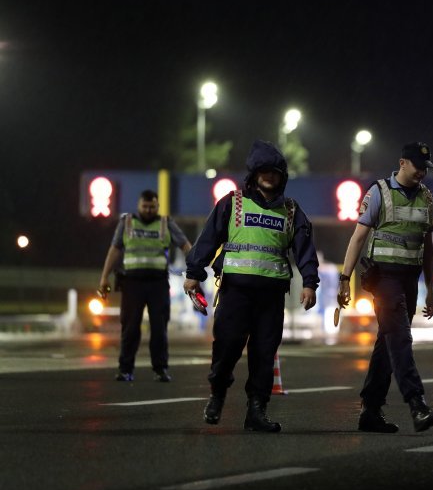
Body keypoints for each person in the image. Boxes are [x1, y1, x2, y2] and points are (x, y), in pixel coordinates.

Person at [183, 140, 320, 433]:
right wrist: (194, 272)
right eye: (264, 171)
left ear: (282, 176)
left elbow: (305, 250)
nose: (270, 176)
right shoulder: (232, 203)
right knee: (227, 348)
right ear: (254, 174)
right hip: (236, 293)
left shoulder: (292, 211)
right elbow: (208, 239)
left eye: (276, 172)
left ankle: (256, 412)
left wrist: (310, 283)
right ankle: (217, 394)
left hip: (271, 297)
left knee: (264, 353)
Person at [337, 142, 433, 433]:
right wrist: (345, 279)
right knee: (401, 338)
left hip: (410, 280)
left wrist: (430, 290)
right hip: (383, 279)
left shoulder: (427, 199)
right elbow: (358, 237)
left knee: (387, 343)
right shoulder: (379, 192)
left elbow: (428, 247)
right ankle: (416, 403)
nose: (422, 172)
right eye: (417, 166)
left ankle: (370, 410)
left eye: (425, 168)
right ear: (402, 163)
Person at [98, 189, 192, 383]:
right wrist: (104, 277)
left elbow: (185, 245)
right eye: (145, 206)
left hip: (157, 283)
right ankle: (125, 370)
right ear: (138, 206)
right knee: (130, 328)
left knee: (159, 328)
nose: (148, 210)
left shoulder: (166, 223)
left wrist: (195, 268)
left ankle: (160, 369)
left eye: (152, 206)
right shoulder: (127, 222)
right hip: (132, 283)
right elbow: (115, 250)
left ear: (157, 206)